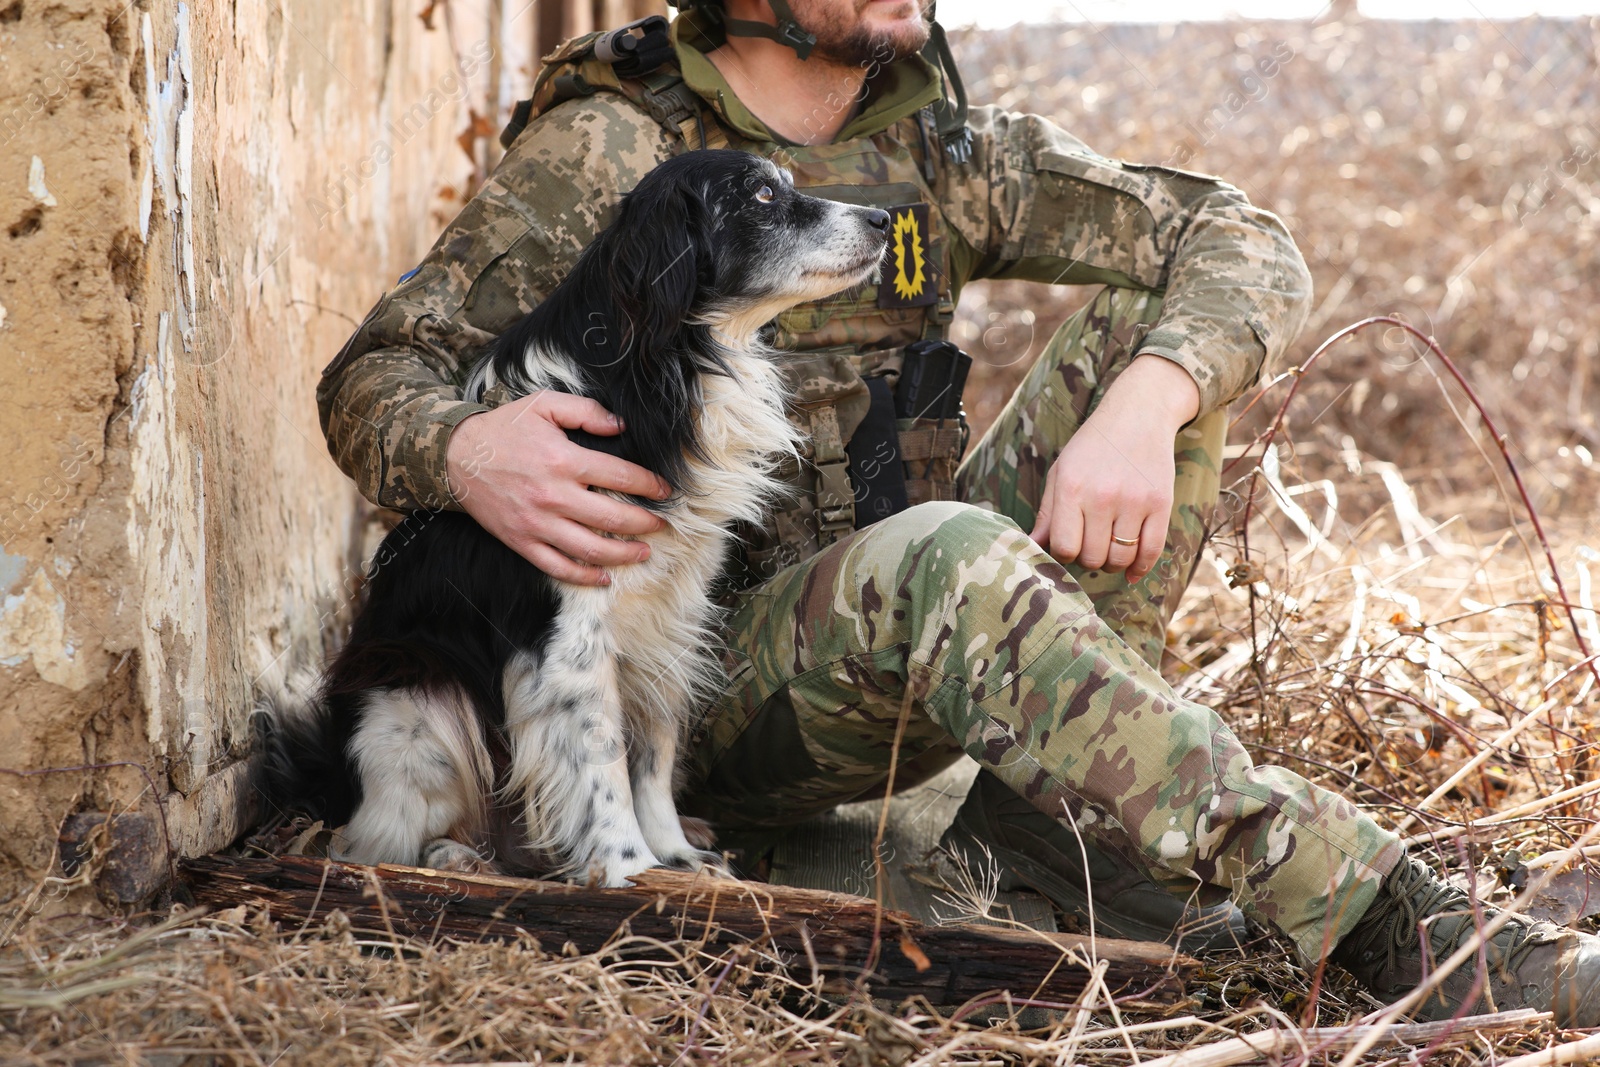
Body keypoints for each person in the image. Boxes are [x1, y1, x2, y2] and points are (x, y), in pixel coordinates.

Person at [317, 0, 1600, 1021]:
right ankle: (1393, 922)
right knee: (943, 555)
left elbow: (1237, 237)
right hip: (687, 679)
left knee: (1148, 343)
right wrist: (464, 446)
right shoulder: (607, 149)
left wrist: (1145, 403)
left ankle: (1042, 846)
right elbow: (377, 371)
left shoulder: (940, 149)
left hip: (908, 627)